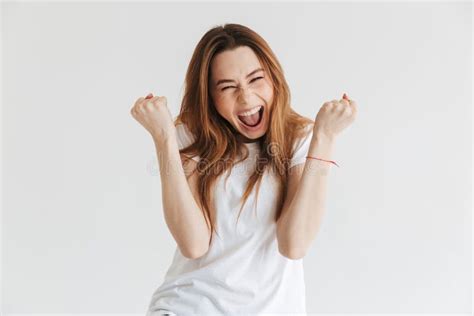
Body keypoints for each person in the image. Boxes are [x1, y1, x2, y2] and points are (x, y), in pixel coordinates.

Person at [130, 23, 357, 316]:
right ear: (210, 97)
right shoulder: (191, 136)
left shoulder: (299, 139)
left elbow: (294, 244)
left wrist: (324, 139)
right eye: (227, 87)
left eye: (255, 79)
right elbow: (194, 244)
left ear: (274, 78)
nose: (246, 98)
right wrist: (164, 139)